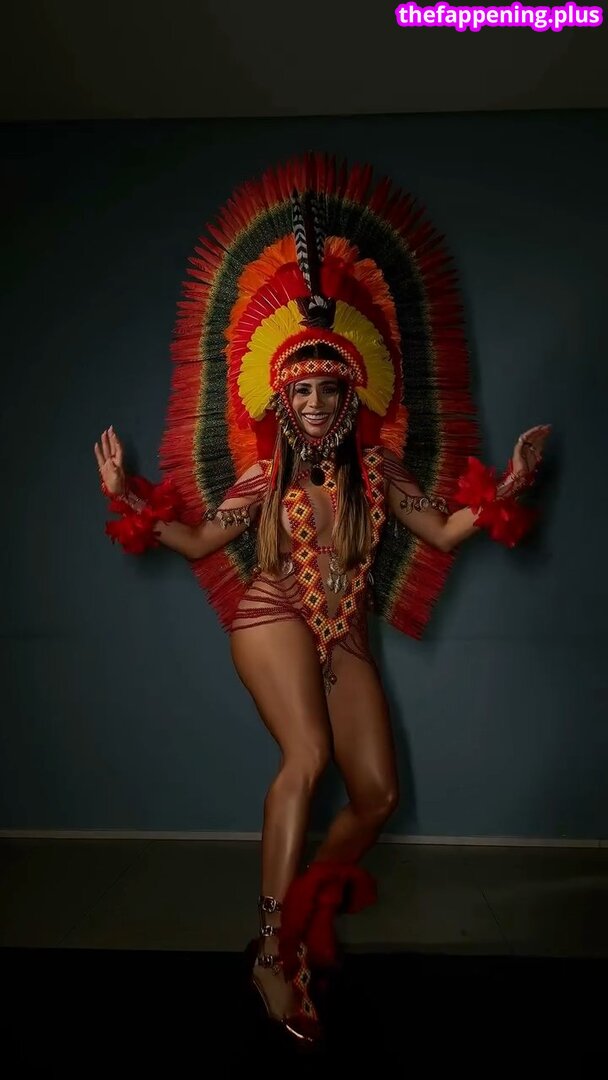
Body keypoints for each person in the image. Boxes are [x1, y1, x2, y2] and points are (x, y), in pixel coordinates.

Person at [93, 155, 551, 1045]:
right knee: (305, 759)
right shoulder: (263, 477)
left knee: (376, 795)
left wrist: (513, 481)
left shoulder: (379, 468)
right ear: (281, 396)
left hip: (346, 635)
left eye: (325, 388)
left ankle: (302, 915)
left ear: (350, 391)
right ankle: (272, 952)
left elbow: (445, 532)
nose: (310, 402)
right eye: (298, 389)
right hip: (271, 616)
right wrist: (127, 495)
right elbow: (199, 542)